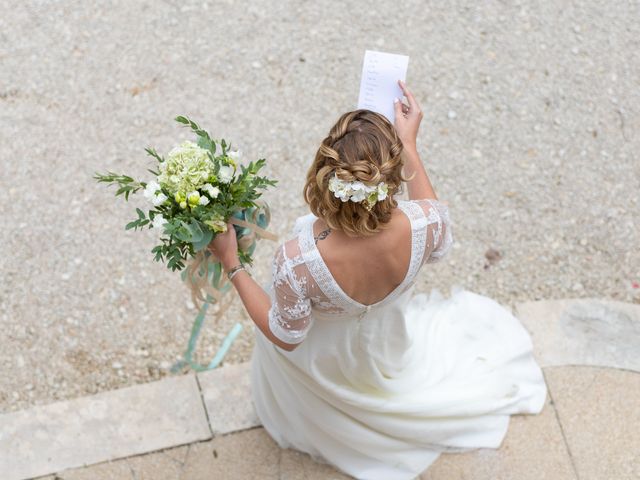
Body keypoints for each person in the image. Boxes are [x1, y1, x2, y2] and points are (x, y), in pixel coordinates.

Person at [208, 80, 548, 480]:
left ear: (323, 178)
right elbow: (438, 246)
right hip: (389, 338)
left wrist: (232, 263)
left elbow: (287, 334)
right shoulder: (425, 223)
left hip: (325, 362)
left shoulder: (297, 262)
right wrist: (411, 144)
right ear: (392, 177)